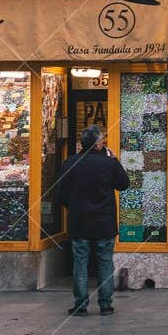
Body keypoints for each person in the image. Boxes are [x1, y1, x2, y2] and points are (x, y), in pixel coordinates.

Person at [57, 124, 129, 317]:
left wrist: (73, 208)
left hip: (79, 221)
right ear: (98, 144)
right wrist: (115, 160)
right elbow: (124, 184)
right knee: (105, 261)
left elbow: (61, 194)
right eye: (102, 140)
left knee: (80, 262)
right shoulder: (109, 163)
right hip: (104, 222)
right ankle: (105, 304)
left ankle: (80, 305)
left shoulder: (70, 162)